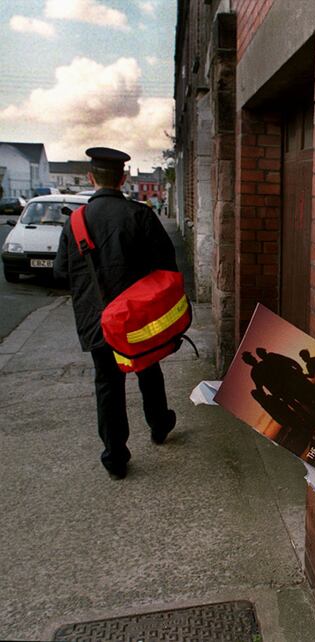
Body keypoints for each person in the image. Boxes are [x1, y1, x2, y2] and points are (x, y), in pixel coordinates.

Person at [54, 147, 178, 480]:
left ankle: (115, 457)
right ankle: (159, 425)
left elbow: (60, 273)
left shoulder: (75, 222)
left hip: (97, 321)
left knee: (108, 384)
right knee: (148, 369)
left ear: (91, 178)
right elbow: (167, 266)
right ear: (123, 179)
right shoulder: (140, 215)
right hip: (137, 320)